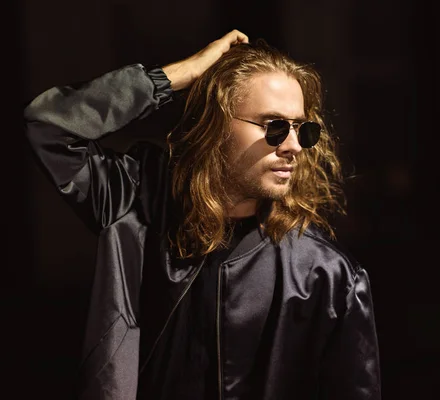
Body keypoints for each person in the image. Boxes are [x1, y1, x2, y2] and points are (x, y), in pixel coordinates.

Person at [24, 29, 381, 399]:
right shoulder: (135, 201)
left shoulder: (326, 275)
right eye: (274, 127)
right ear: (215, 124)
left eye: (302, 130)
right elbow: (49, 125)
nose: (293, 146)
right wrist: (179, 75)